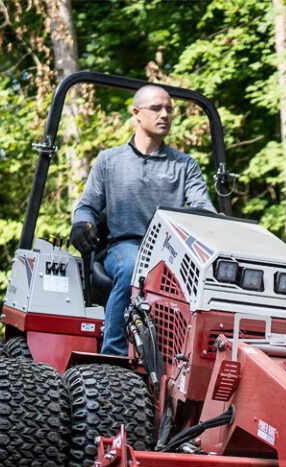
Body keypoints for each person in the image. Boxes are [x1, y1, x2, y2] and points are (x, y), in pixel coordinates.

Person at [70, 84, 215, 356]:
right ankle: (113, 355)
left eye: (170, 109)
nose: (165, 115)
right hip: (124, 247)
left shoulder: (184, 165)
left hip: (174, 253)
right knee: (135, 267)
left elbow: (203, 210)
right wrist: (82, 223)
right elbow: (87, 207)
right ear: (136, 113)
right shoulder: (109, 161)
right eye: (156, 108)